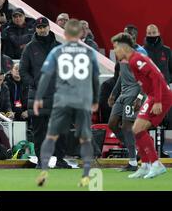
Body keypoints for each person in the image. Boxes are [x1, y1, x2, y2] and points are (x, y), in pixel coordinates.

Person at [35, 19, 100, 187]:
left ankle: (44, 169)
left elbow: (46, 76)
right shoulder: (89, 52)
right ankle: (86, 175)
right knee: (85, 138)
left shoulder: (57, 51)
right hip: (82, 99)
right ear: (80, 33)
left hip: (62, 99)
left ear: (64, 34)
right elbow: (95, 78)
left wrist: (38, 98)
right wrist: (95, 100)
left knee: (50, 136)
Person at [111, 33, 172, 179]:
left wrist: (157, 100)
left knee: (137, 128)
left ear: (124, 47)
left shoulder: (136, 59)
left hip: (160, 97)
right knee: (137, 129)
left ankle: (156, 164)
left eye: (116, 48)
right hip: (154, 96)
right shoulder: (132, 60)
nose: (115, 51)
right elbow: (147, 82)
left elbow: (157, 78)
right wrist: (142, 98)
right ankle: (145, 165)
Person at [20, 17, 70, 169]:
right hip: (38, 96)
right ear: (35, 29)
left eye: (44, 26)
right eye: (39, 27)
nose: (42, 29)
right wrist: (35, 83)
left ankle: (60, 159)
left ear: (49, 27)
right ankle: (42, 161)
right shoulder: (29, 48)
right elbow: (23, 70)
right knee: (39, 132)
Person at [108, 29, 147, 172]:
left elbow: (145, 79)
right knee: (112, 124)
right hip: (122, 94)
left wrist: (140, 97)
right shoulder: (121, 55)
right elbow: (121, 75)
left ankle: (132, 162)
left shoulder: (138, 56)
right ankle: (135, 151)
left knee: (126, 126)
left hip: (134, 94)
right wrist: (113, 93)